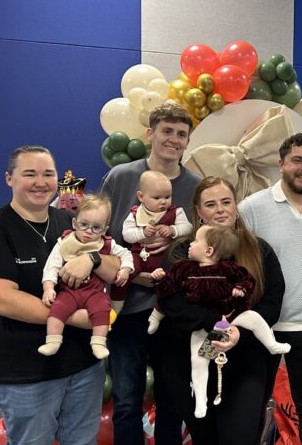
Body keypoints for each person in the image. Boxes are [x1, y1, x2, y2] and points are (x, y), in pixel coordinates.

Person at [0, 146, 120, 444]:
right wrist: (74, 318)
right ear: (9, 179)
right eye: (29, 174)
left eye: (48, 174)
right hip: (25, 371)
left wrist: (94, 259)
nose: (41, 182)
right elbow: (0, 298)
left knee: (83, 441)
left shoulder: (70, 222)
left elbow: (115, 267)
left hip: (83, 366)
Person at [152, 176, 285, 444]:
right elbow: (171, 301)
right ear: (199, 212)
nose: (220, 209)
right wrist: (217, 324)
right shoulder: (183, 252)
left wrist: (238, 333)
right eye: (211, 204)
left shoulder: (260, 250)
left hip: (245, 359)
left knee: (239, 436)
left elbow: (272, 301)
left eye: (226, 202)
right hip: (188, 359)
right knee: (206, 438)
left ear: (236, 206)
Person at [97, 101, 201, 443]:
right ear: (150, 134)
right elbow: (99, 236)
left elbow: (204, 245)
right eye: (166, 131)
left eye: (181, 134)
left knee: (172, 400)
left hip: (174, 310)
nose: (173, 140)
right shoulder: (121, 177)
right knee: (128, 400)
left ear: (188, 140)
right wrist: (132, 270)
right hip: (128, 309)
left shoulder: (195, 186)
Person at [238, 132, 302, 444]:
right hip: (260, 323)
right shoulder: (251, 208)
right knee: (251, 404)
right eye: (297, 160)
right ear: (281, 164)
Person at [39, 195, 134, 359]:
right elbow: (51, 266)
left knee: (103, 310)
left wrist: (125, 269)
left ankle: (98, 343)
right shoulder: (64, 242)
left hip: (95, 292)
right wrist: (48, 288)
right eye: (84, 225)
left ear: (104, 230)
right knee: (57, 309)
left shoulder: (106, 243)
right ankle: (52, 341)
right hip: (69, 290)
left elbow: (126, 254)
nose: (89, 231)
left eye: (96, 227)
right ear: (74, 223)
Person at [110, 170, 192, 319]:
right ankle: (116, 304)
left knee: (177, 279)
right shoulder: (135, 214)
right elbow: (126, 235)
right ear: (141, 196)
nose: (163, 202)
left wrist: (173, 229)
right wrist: (142, 233)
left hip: (165, 259)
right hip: (139, 256)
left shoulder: (176, 212)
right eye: (157, 197)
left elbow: (188, 228)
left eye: (167, 197)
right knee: (123, 274)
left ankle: (162, 312)